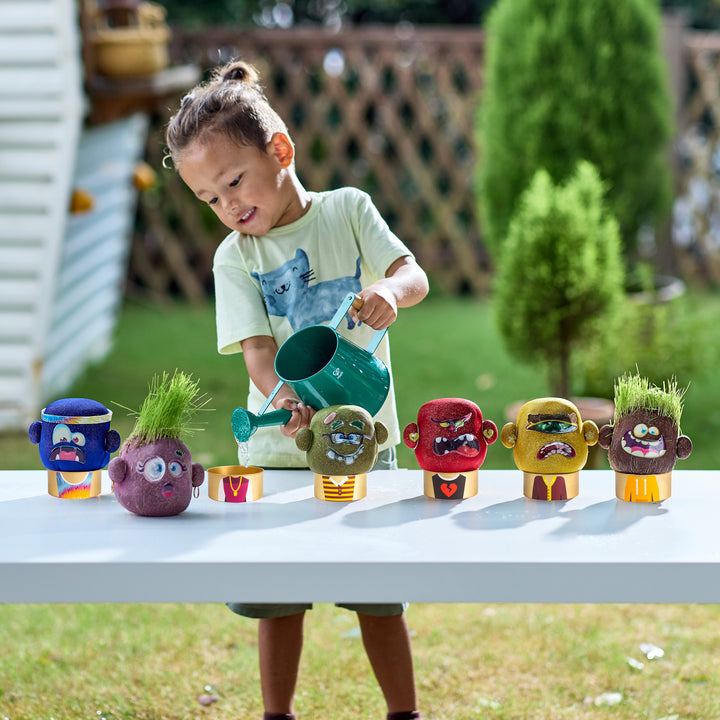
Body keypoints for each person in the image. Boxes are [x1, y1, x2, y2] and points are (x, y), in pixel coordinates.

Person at [165, 59, 428, 720]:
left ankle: (406, 713)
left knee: (377, 596)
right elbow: (259, 355)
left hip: (363, 443)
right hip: (279, 455)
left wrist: (390, 292)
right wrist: (284, 401)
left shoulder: (347, 212)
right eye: (210, 199)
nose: (229, 207)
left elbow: (411, 273)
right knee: (277, 601)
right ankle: (276, 715)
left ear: (280, 151)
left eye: (234, 182)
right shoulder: (237, 256)